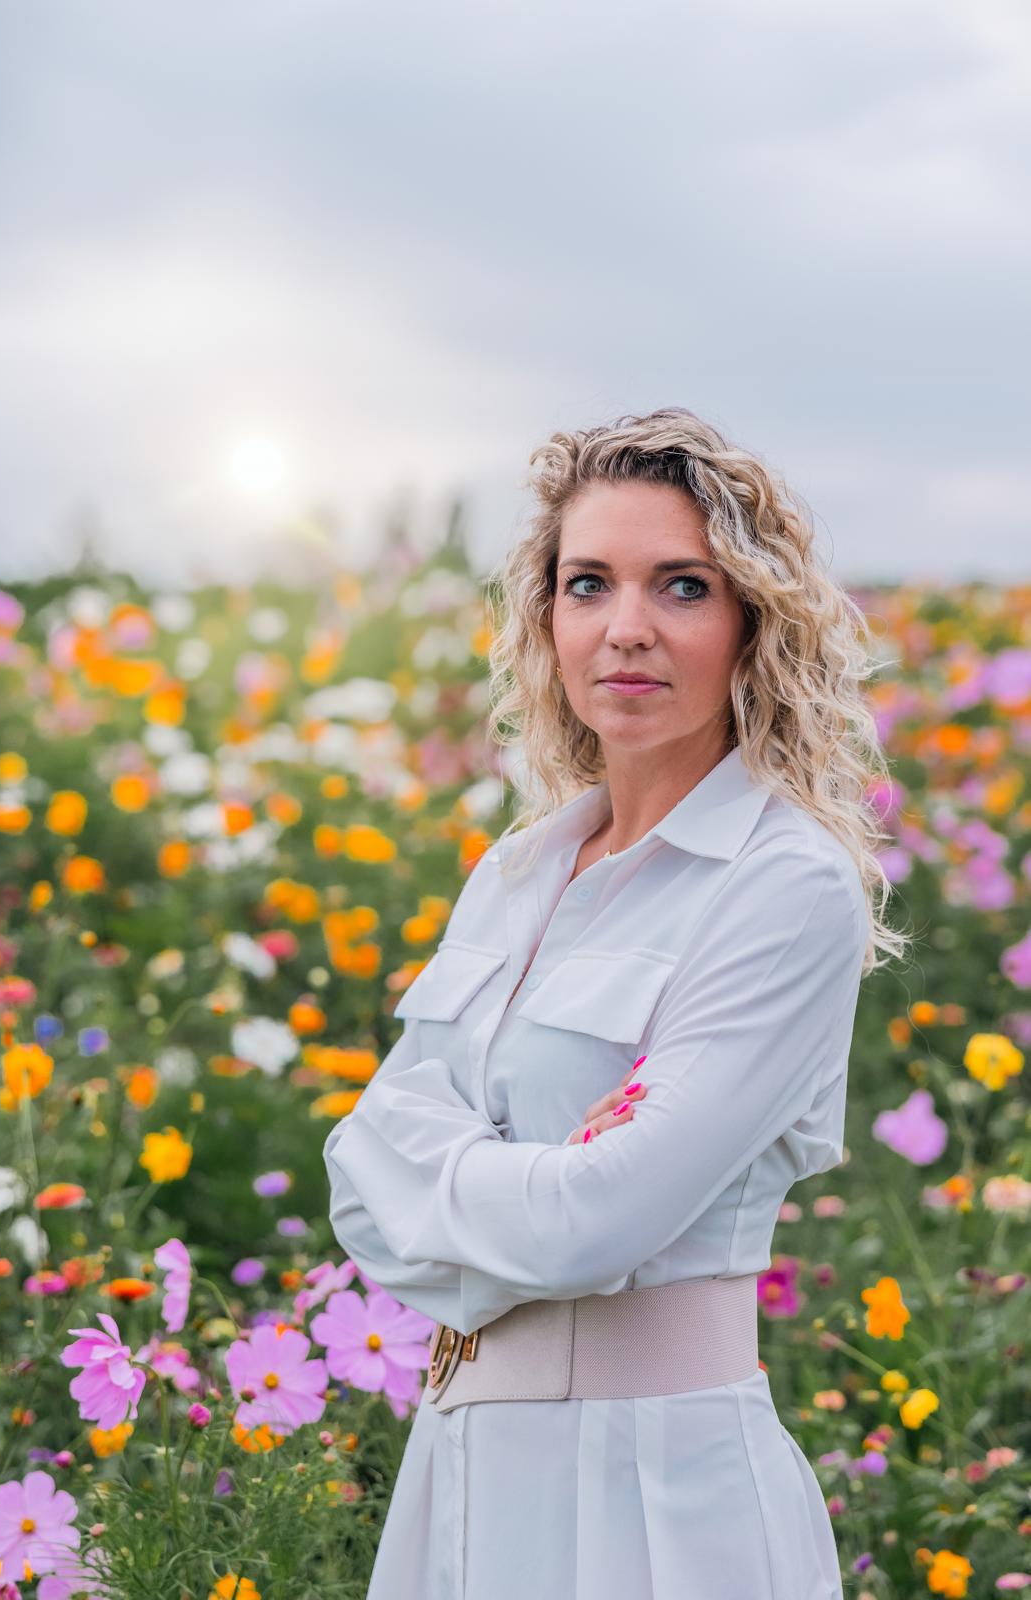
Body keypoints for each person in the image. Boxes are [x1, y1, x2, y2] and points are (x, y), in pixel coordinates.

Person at [323, 406, 910, 1600]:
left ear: (753, 621)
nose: (626, 627)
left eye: (683, 586)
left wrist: (455, 1175)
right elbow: (357, 1172)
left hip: (657, 1493)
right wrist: (535, 1182)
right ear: (548, 617)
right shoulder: (517, 872)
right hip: (459, 1480)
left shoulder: (783, 884)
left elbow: (597, 1221)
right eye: (588, 583)